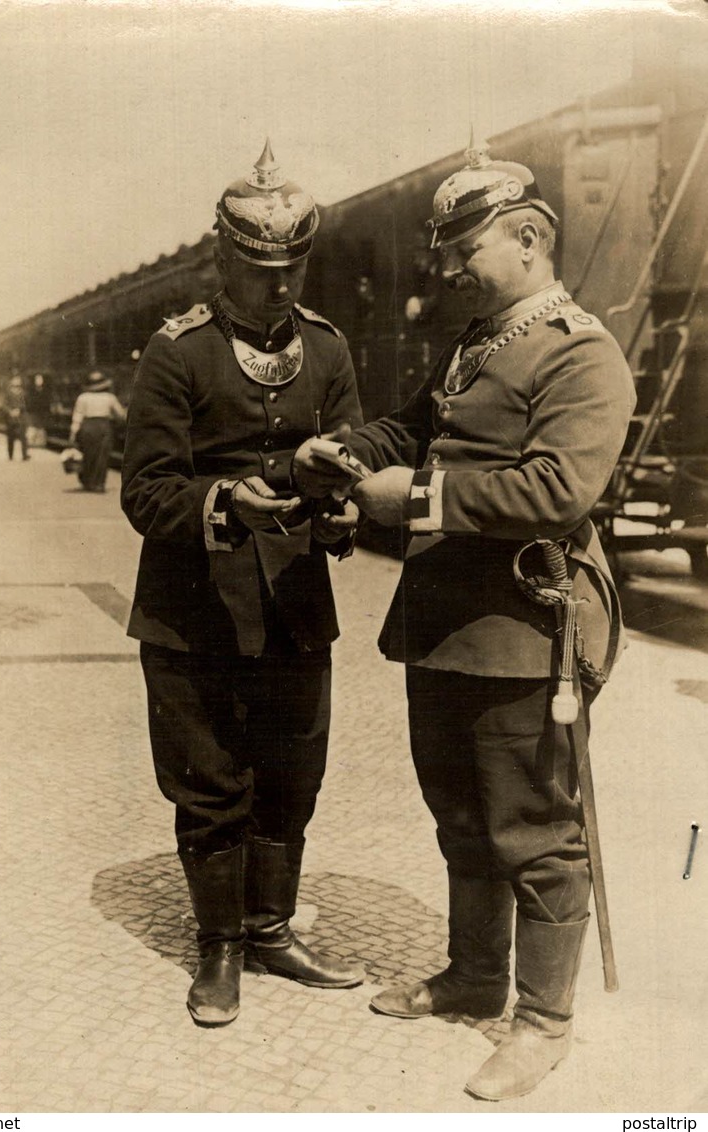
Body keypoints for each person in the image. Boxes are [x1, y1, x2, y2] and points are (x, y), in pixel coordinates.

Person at [293, 140, 636, 1101]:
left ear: (528, 238)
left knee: (532, 829)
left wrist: (412, 501)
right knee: (460, 818)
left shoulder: (580, 350)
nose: (447, 267)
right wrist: (346, 450)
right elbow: (413, 426)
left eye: (464, 248)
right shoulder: (473, 342)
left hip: (526, 627)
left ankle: (541, 1023)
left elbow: (557, 489)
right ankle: (474, 976)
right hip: (443, 623)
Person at [121, 141, 366, 1027]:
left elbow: (350, 456)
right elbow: (144, 491)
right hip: (194, 613)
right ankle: (218, 948)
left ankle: (271, 930)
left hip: (296, 604)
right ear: (219, 257)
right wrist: (226, 499)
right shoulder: (176, 352)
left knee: (292, 773)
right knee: (210, 778)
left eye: (292, 264)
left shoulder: (329, 350)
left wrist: (343, 516)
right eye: (260, 265)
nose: (278, 283)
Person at [68, 371, 126, 492]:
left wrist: (73, 434)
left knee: (88, 454)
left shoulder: (82, 397)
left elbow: (77, 417)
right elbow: (120, 415)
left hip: (87, 427)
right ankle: (99, 483)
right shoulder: (110, 397)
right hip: (104, 427)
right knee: (102, 455)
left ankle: (88, 482)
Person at [2, 374, 30, 461]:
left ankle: (24, 455)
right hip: (11, 418)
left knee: (23, 437)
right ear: (12, 382)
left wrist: (19, 410)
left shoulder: (23, 393)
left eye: (18, 380)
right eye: (15, 380)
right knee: (10, 437)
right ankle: (10, 455)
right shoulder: (8, 393)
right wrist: (10, 411)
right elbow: (4, 405)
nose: (17, 382)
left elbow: (26, 405)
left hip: (21, 418)